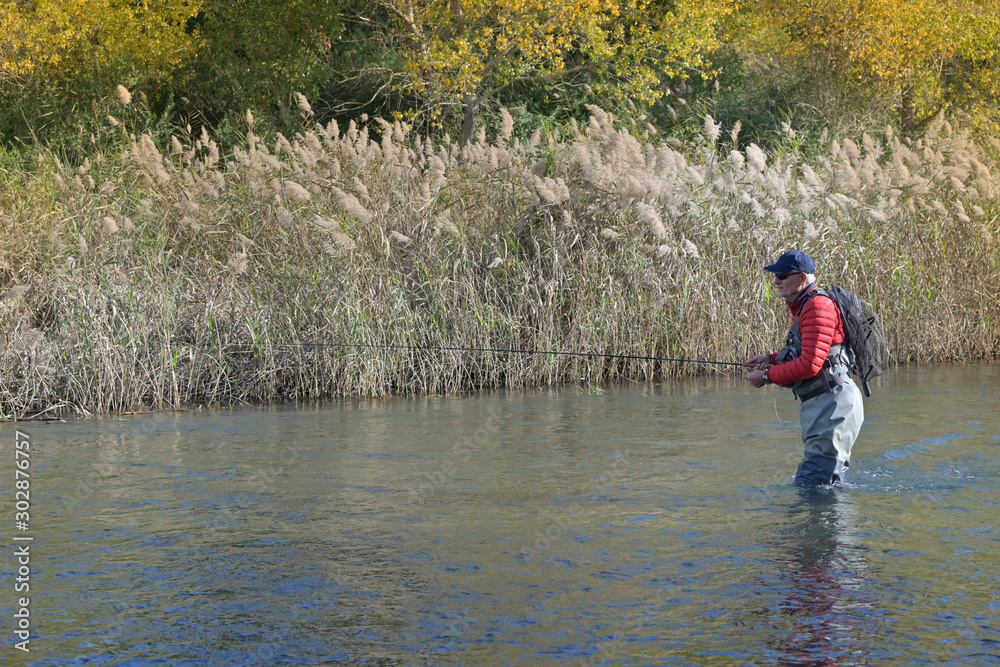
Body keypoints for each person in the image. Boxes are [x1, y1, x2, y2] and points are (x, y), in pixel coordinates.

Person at [745, 250, 865, 486]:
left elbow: (810, 365)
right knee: (820, 484)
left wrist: (767, 377)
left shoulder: (817, 307)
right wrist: (771, 359)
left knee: (814, 484)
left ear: (801, 278)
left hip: (834, 405)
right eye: (775, 275)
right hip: (825, 404)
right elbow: (811, 352)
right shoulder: (807, 305)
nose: (776, 280)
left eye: (781, 275)